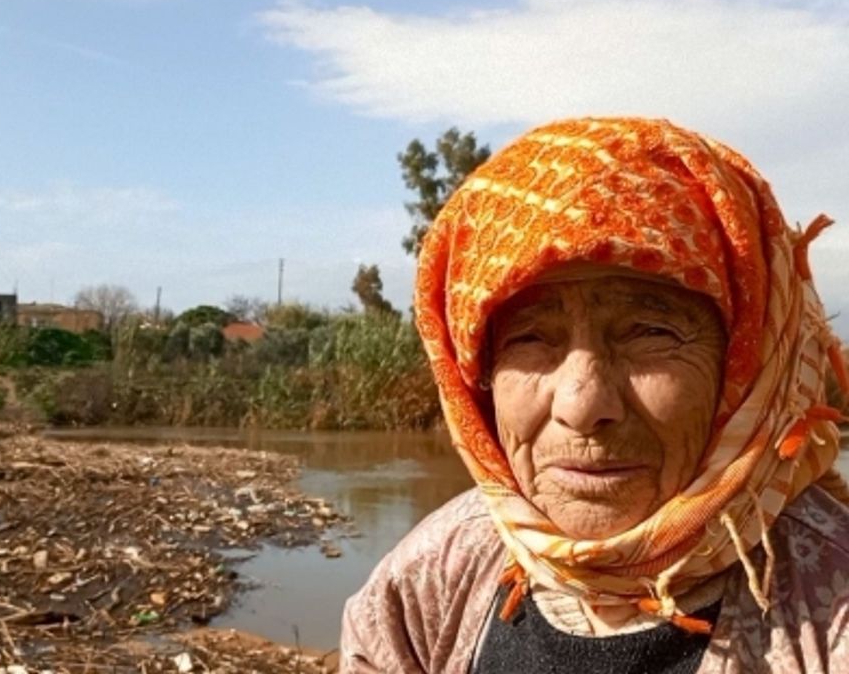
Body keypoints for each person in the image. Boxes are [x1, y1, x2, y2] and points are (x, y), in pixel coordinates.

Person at [341, 117, 849, 672]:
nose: (582, 406)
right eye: (530, 339)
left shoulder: (834, 610)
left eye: (650, 333)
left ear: (745, 366)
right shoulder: (421, 589)